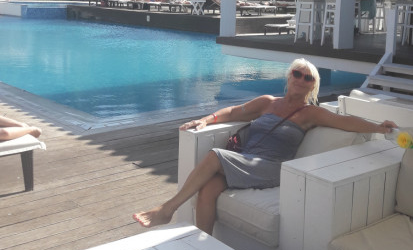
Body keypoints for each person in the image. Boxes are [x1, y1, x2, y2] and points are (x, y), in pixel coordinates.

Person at [133, 58, 396, 234]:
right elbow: (234, 111)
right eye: (297, 73)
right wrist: (206, 119)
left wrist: (378, 127)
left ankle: (167, 209)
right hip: (247, 160)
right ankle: (205, 247)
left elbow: (344, 121)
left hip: (271, 168)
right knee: (208, 189)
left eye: (307, 78)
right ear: (289, 76)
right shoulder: (268, 102)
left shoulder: (310, 113)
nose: (301, 79)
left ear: (313, 85)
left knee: (214, 155)